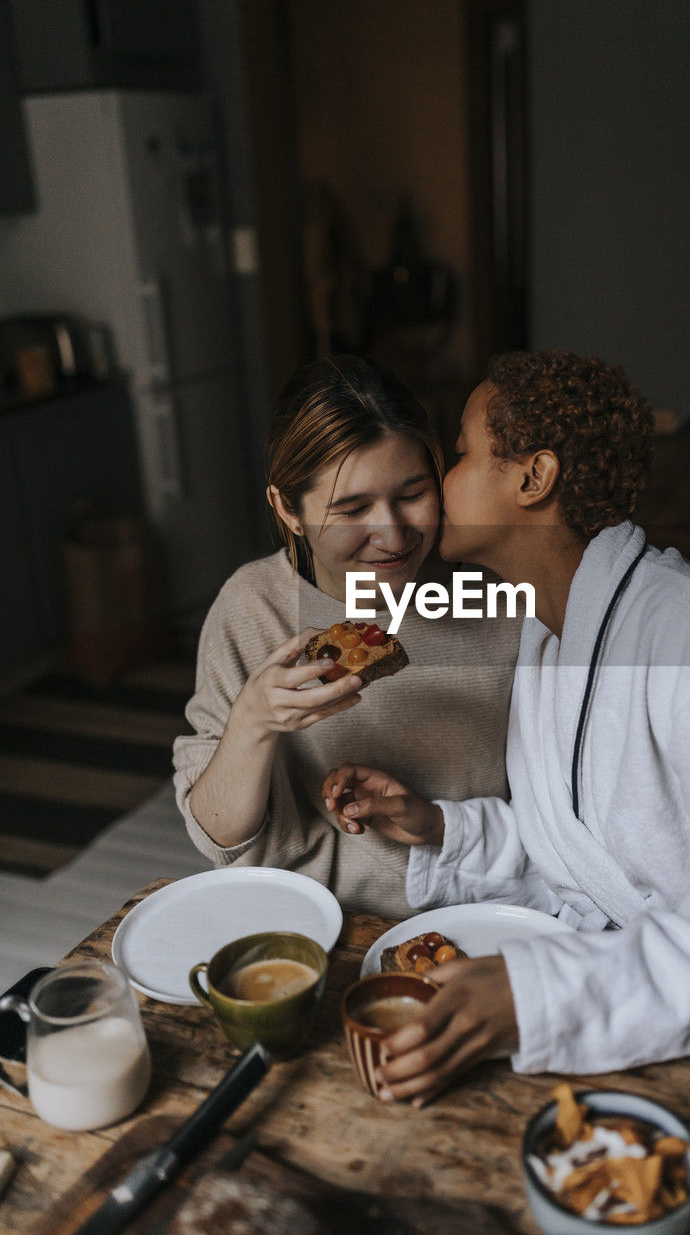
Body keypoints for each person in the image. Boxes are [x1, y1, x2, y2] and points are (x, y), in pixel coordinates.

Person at [323, 349, 690, 1103]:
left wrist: (545, 996)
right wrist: (438, 826)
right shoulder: (549, 637)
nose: (442, 483)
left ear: (533, 478)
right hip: (650, 1016)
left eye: (465, 453)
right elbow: (586, 856)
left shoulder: (686, 635)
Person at [173, 355, 521, 918]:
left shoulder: (496, 587)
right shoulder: (252, 607)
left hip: (490, 905)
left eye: (412, 493)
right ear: (287, 508)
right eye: (352, 509)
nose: (392, 534)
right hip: (322, 918)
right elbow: (219, 838)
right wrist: (253, 722)